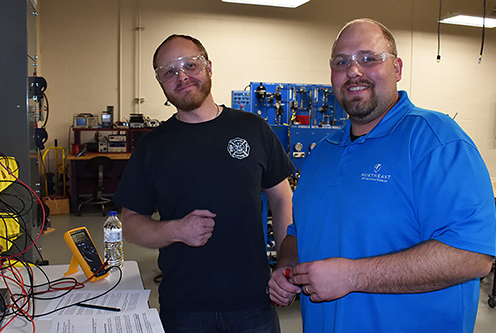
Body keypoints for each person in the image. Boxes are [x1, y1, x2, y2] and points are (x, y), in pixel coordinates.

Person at [268, 18, 496, 332]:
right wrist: (288, 265)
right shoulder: (322, 153)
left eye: (369, 58)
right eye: (341, 62)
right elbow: (298, 231)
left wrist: (353, 276)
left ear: (397, 68)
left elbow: (473, 255)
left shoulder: (437, 140)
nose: (353, 71)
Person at [112, 34, 294, 332]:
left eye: (190, 65)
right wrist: (176, 230)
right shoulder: (151, 147)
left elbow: (282, 198)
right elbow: (130, 225)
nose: (181, 76)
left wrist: (286, 262)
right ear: (161, 83)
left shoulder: (253, 129)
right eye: (168, 71)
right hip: (185, 308)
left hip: (254, 303)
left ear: (208, 66)